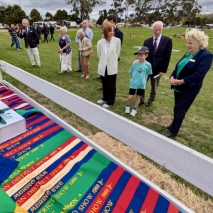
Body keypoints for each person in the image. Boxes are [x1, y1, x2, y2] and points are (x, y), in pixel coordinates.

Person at [162, 28, 213, 137]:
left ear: (199, 43)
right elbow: (178, 67)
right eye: (187, 42)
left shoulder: (206, 56)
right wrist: (172, 76)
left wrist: (180, 81)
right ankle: (174, 125)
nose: (187, 45)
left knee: (179, 109)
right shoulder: (188, 53)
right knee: (177, 107)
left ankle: (173, 131)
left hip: (189, 89)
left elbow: (199, 75)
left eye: (190, 43)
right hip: (178, 86)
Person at [140, 21, 172, 107]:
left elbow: (167, 57)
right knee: (142, 84)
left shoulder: (167, 41)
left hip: (158, 69)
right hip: (146, 68)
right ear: (152, 30)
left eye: (159, 30)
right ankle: (141, 99)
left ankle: (150, 100)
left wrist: (163, 70)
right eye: (155, 30)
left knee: (154, 87)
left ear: (162, 29)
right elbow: (142, 54)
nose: (157, 32)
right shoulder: (147, 41)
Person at [96, 22, 121, 108]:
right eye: (110, 31)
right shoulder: (100, 42)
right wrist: (104, 62)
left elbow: (117, 54)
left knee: (111, 84)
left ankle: (110, 101)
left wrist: (111, 61)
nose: (112, 32)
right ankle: (105, 98)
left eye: (112, 31)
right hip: (103, 65)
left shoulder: (117, 41)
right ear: (105, 32)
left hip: (112, 66)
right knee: (104, 83)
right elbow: (99, 54)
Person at [125, 46, 152, 116]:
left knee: (138, 97)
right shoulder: (135, 63)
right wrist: (133, 79)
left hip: (141, 84)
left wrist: (144, 81)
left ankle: (134, 109)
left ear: (146, 55)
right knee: (130, 97)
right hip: (133, 83)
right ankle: (127, 106)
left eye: (141, 55)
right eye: (138, 55)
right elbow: (131, 72)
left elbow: (148, 74)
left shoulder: (148, 65)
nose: (139, 57)